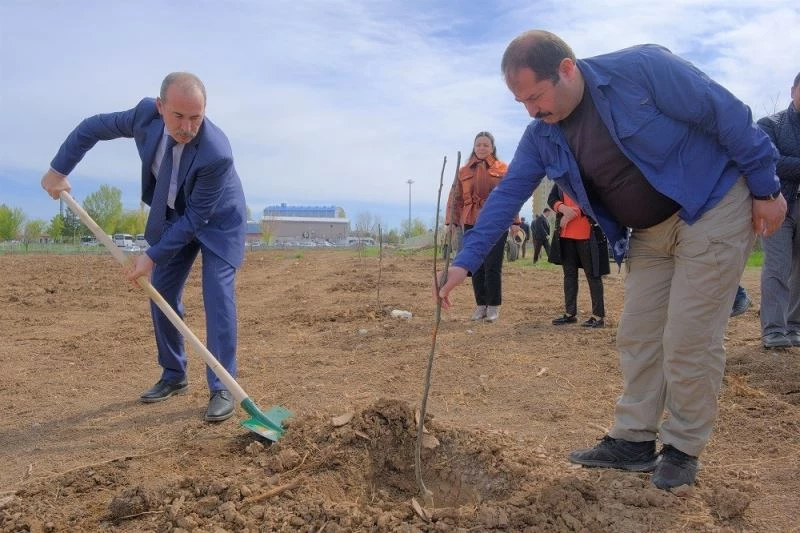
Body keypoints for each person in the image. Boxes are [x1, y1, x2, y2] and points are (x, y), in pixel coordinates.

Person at [437, 30, 786, 490]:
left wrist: (765, 187)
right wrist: (464, 262)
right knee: (638, 334)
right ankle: (634, 440)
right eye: (521, 102)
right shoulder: (541, 135)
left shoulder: (642, 69)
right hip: (648, 233)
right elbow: (506, 200)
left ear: (566, 68)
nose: (532, 111)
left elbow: (725, 113)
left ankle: (681, 449)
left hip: (712, 205)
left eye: (536, 97)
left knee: (688, 337)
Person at [41, 72, 247, 423]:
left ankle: (222, 387)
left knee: (217, 296)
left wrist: (151, 255)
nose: (187, 127)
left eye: (195, 117)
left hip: (218, 222)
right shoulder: (143, 116)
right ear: (160, 106)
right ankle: (174, 374)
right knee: (161, 293)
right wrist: (58, 170)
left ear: (205, 111)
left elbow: (196, 219)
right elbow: (91, 128)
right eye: (178, 116)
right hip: (175, 215)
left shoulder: (216, 153)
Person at [445, 131, 514, 323]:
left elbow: (511, 196)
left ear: (492, 148)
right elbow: (455, 198)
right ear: (474, 147)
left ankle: (493, 306)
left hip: (495, 221)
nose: (482, 148)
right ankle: (480, 305)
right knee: (475, 265)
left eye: (486, 145)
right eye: (478, 145)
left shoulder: (503, 169)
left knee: (493, 265)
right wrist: (451, 221)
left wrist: (515, 222)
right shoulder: (464, 171)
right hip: (471, 221)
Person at [757, 72, 800, 348]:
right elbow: (769, 161)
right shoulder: (769, 124)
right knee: (777, 265)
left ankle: (795, 325)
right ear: (793, 89)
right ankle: (773, 328)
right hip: (778, 204)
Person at [548, 184, 607, 328]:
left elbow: (596, 200)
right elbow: (551, 198)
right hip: (565, 235)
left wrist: (574, 212)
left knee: (593, 276)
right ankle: (570, 314)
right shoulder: (561, 180)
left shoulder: (587, 177)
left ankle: (598, 316)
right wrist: (563, 208)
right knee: (569, 276)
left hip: (587, 234)